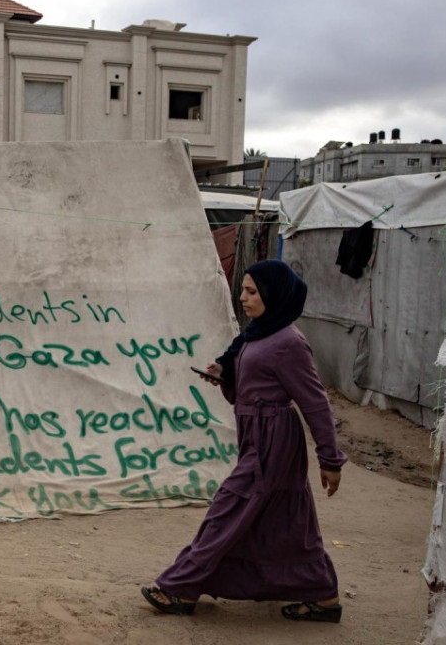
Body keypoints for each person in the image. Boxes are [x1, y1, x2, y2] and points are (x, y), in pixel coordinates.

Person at [140, 259, 348, 623]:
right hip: (256, 436)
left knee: (228, 508)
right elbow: (253, 383)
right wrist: (225, 374)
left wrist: (330, 459)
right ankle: (322, 594)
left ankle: (181, 587)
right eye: (243, 290)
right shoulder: (260, 334)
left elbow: (315, 402)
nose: (243, 298)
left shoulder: (289, 343)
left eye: (252, 292)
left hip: (273, 442)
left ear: (273, 294)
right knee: (286, 520)